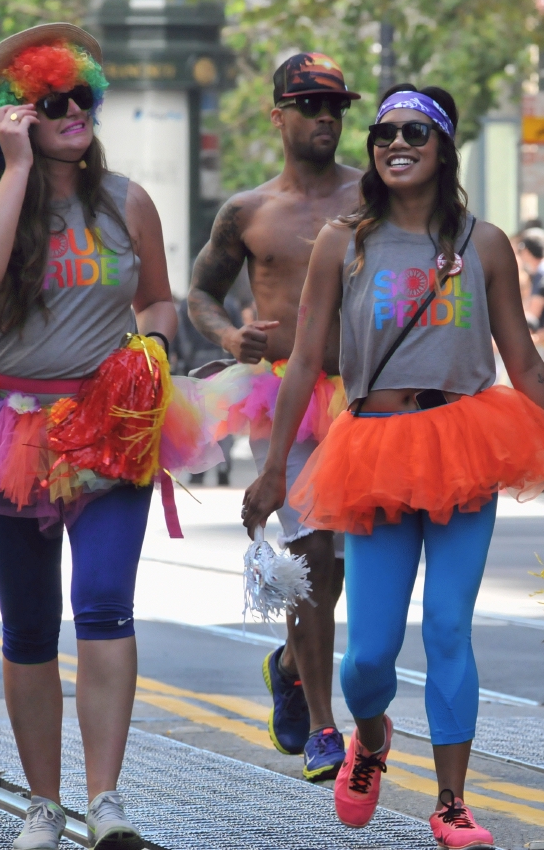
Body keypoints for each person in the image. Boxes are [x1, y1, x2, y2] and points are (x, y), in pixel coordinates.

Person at [0, 25, 223, 850]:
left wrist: (155, 354)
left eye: (83, 98)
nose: (74, 114)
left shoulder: (128, 201)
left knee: (104, 605)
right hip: (6, 430)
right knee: (29, 625)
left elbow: (161, 301)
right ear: (15, 117)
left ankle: (106, 804)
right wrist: (20, 171)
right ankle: (43, 804)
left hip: (108, 430)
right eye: (51, 103)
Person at [241, 83, 544, 849]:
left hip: (464, 440)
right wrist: (271, 471)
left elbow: (524, 360)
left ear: (442, 149)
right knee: (367, 655)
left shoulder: (482, 243)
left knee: (447, 626)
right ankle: (370, 737)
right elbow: (303, 362)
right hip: (374, 450)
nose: (395, 143)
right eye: (383, 133)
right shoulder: (345, 240)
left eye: (414, 133)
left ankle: (452, 800)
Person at [186, 51, 363, 782]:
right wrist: (229, 336)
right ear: (278, 115)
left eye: (336, 108)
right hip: (283, 397)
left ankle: (290, 662)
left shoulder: (376, 194)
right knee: (311, 555)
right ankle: (326, 728)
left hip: (363, 395)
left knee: (344, 565)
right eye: (311, 105)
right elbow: (197, 294)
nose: (326, 118)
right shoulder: (248, 211)